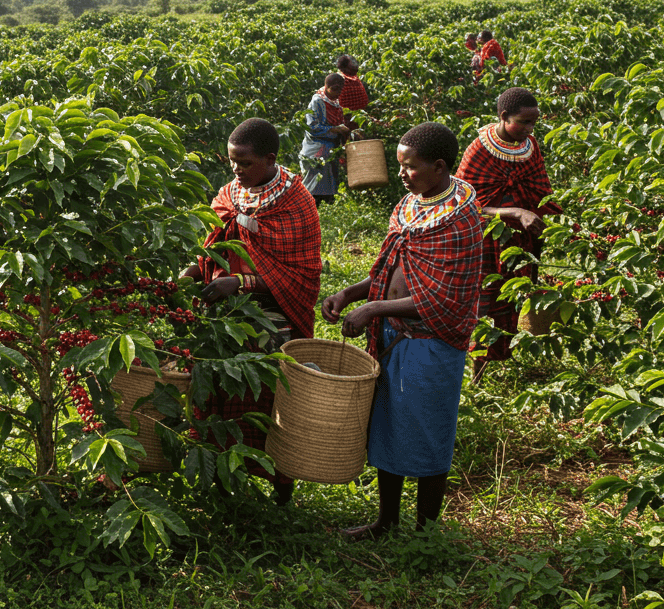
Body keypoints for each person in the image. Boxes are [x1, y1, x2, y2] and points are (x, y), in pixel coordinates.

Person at [321, 121, 483, 539]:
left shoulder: (460, 218)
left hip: (431, 342)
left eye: (410, 166)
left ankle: (426, 534)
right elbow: (390, 266)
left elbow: (445, 298)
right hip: (394, 334)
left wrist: (374, 307)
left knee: (428, 432)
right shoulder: (410, 205)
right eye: (400, 165)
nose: (403, 174)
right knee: (388, 426)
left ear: (439, 167)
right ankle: (386, 522)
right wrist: (350, 293)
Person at [180, 118, 322, 505]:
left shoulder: (296, 201)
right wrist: (191, 273)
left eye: (244, 163)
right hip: (223, 308)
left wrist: (242, 283)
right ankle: (219, 475)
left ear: (270, 159)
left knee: (268, 392)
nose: (236, 170)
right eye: (232, 162)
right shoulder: (229, 194)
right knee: (211, 382)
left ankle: (280, 482)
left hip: (272, 309)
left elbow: (302, 276)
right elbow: (212, 247)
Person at [455, 88, 560, 380]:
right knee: (484, 301)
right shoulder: (479, 149)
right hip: (486, 239)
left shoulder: (530, 146)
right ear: (504, 117)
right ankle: (476, 368)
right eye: (524, 122)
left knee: (511, 299)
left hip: (520, 240)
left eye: (533, 123)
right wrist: (514, 212)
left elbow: (539, 189)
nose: (530, 129)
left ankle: (498, 361)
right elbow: (465, 204)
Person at [300, 74, 352, 207]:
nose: (338, 93)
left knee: (329, 182)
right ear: (326, 87)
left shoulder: (335, 102)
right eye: (334, 89)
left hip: (330, 149)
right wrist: (334, 129)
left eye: (340, 90)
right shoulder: (317, 101)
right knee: (314, 182)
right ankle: (310, 208)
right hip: (316, 148)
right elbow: (312, 127)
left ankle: (328, 207)